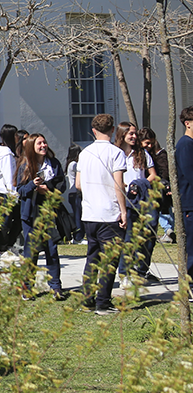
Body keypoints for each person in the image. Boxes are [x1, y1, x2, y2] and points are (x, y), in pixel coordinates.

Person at [76, 114, 128, 315]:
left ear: (93, 131)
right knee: (109, 260)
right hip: (109, 214)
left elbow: (78, 184)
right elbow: (118, 185)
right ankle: (103, 302)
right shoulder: (116, 153)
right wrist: (123, 211)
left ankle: (88, 299)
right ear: (113, 130)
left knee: (93, 258)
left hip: (89, 214)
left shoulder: (84, 153)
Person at [16, 134, 68, 301]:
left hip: (49, 213)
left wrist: (49, 189)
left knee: (52, 250)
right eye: (39, 143)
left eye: (44, 142)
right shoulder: (25, 165)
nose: (43, 145)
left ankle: (56, 286)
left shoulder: (53, 163)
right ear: (32, 146)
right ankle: (27, 288)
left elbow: (62, 185)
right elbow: (20, 190)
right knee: (31, 253)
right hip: (30, 215)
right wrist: (33, 185)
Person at [114, 122, 159, 284]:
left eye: (134, 133)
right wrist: (123, 186)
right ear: (122, 134)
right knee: (128, 240)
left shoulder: (142, 154)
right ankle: (125, 273)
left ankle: (140, 271)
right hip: (121, 201)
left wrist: (140, 185)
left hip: (140, 201)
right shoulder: (115, 153)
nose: (133, 136)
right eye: (130, 133)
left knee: (146, 238)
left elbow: (152, 175)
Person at [0, 124, 21, 255]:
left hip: (0, 190)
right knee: (10, 220)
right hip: (6, 191)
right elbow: (9, 176)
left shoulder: (0, 151)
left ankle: (6, 246)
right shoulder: (6, 155)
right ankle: (5, 247)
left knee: (6, 220)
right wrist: (14, 194)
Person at [175, 107, 193, 289]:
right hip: (190, 203)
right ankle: (187, 287)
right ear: (187, 123)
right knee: (192, 249)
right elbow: (190, 174)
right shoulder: (185, 144)